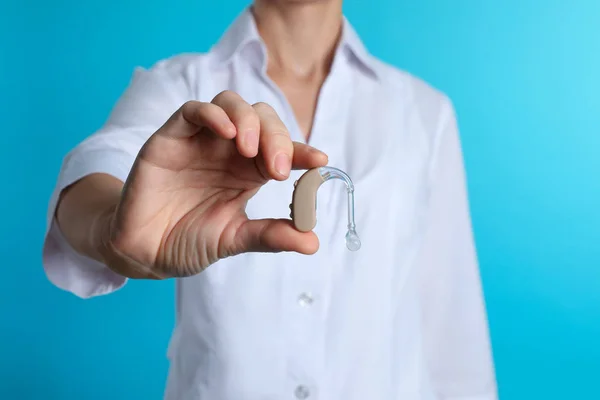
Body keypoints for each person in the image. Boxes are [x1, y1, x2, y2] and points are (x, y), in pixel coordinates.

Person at [42, 0, 498, 399]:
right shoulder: (179, 88)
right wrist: (111, 228)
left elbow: (451, 329)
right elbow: (96, 171)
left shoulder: (423, 112)